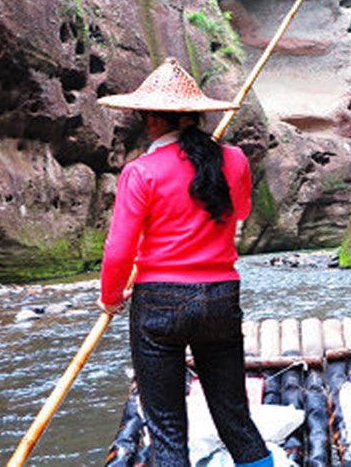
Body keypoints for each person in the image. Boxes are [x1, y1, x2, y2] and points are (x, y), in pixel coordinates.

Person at [98, 58, 273, 467]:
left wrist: (110, 298)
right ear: (196, 115)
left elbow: (120, 249)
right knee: (235, 418)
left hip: (158, 301)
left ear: (150, 120)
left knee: (167, 429)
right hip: (220, 298)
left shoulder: (140, 172)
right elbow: (241, 210)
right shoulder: (233, 160)